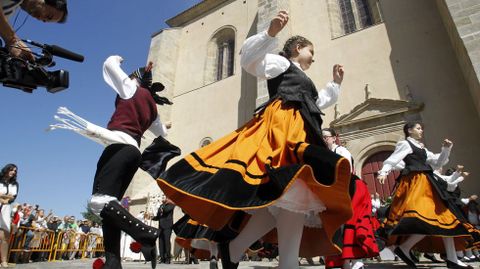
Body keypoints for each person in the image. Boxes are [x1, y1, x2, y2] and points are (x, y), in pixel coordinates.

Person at [157, 10, 352, 269]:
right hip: (282, 129)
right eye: (311, 52)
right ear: (297, 48)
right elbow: (250, 62)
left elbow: (315, 103)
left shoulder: (302, 78)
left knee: (283, 200)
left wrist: (335, 85)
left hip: (301, 129)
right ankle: (285, 263)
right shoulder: (282, 64)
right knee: (292, 192)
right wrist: (270, 33)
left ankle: (235, 250)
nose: (313, 58)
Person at [48, 55, 180, 269]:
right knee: (111, 206)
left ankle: (145, 234)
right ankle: (112, 262)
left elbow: (109, 64)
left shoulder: (131, 88)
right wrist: (166, 126)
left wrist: (117, 58)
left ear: (135, 79)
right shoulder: (153, 108)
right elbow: (162, 131)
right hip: (133, 153)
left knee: (99, 201)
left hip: (118, 146)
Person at [377, 122, 476, 269]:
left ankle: (452, 259)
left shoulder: (422, 147)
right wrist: (383, 172)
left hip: (428, 184)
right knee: (429, 218)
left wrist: (446, 149)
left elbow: (437, 162)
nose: (421, 130)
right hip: (417, 183)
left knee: (445, 218)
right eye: (418, 128)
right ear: (409, 131)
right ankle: (406, 248)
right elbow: (394, 159)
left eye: (421, 128)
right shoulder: (405, 144)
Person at [322, 128, 379, 269]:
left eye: (326, 137)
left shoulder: (341, 151)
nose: (324, 139)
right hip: (337, 189)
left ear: (334, 138)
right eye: (322, 137)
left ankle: (356, 260)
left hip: (350, 187)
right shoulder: (325, 154)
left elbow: (344, 171)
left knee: (350, 222)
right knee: (338, 224)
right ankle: (346, 261)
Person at [0, 0, 68, 61]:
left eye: (44, 21)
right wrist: (12, 40)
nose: (40, 19)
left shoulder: (9, 11)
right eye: (49, 16)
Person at [0, 164, 18, 267]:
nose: (14, 172)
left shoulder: (15, 184)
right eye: (11, 170)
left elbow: (13, 197)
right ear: (6, 169)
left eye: (15, 171)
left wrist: (3, 197)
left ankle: (4, 260)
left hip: (6, 208)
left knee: (5, 236)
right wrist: (4, 197)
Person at [152, 196, 175, 264]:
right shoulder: (162, 205)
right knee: (161, 242)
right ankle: (162, 258)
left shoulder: (171, 205)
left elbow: (166, 210)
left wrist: (162, 208)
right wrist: (152, 217)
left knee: (167, 242)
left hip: (168, 226)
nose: (164, 198)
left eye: (166, 198)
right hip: (161, 226)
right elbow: (158, 215)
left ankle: (168, 258)